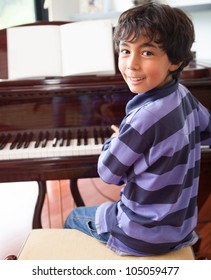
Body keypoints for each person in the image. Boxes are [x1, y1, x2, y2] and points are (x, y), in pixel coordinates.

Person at [64, 1, 211, 256]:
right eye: (125, 51)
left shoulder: (144, 118)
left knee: (74, 216)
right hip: (180, 225)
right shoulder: (183, 95)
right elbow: (207, 128)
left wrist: (116, 139)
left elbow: (109, 173)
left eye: (147, 53)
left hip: (141, 234)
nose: (131, 64)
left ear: (175, 60)